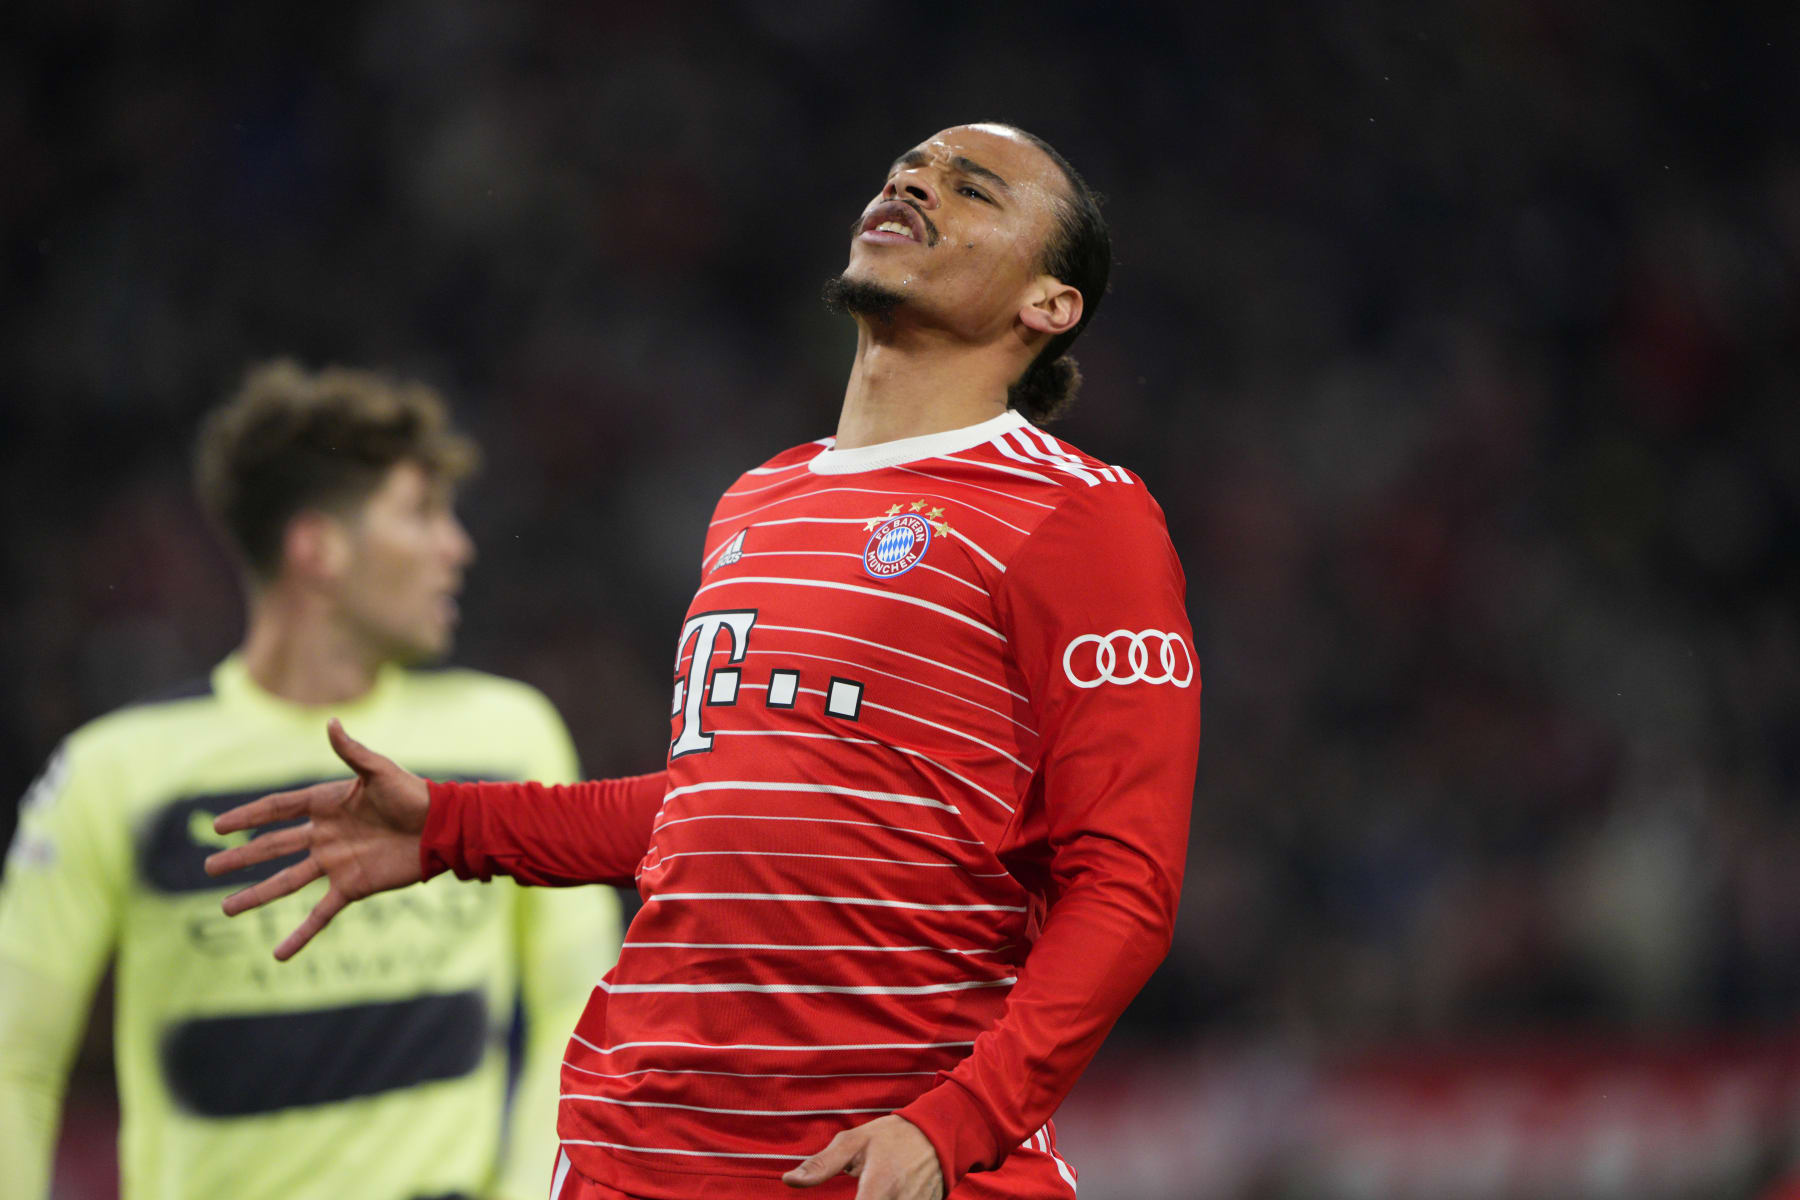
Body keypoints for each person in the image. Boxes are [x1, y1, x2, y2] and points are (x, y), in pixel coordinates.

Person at [207, 124, 1202, 1200]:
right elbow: (717, 805)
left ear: (1048, 307)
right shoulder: (757, 500)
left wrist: (958, 1123)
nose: (916, 182)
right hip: (639, 1154)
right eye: (907, 168)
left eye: (973, 189)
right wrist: (454, 827)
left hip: (888, 1155)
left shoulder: (1078, 516)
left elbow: (1124, 886)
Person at [0, 362, 621, 1200]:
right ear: (318, 547)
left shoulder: (508, 735)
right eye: (421, 513)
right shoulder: (115, 772)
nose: (458, 546)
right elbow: (16, 1061)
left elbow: (580, 1007)